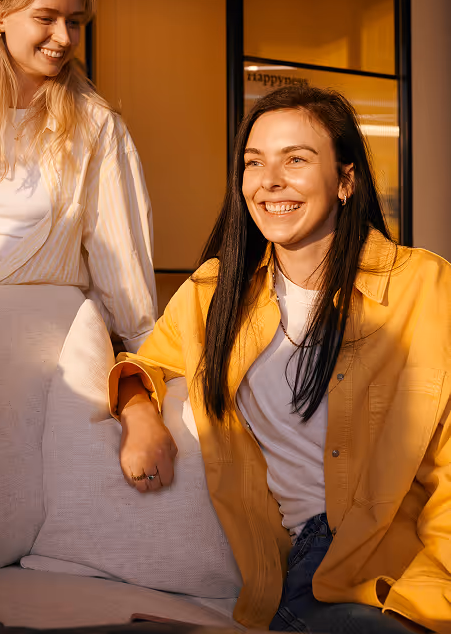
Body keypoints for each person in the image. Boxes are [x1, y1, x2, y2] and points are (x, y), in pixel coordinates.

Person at [108, 84, 451, 634]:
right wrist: (141, 416)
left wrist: (426, 607)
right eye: (254, 163)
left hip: (402, 561)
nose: (269, 182)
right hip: (307, 562)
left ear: (345, 180)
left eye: (296, 159)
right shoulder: (213, 294)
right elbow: (144, 364)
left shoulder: (423, 286)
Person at [0, 0, 156, 351]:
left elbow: (123, 263)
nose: (63, 37)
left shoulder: (97, 126)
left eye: (74, 21)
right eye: (46, 17)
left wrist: (144, 362)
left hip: (53, 345)